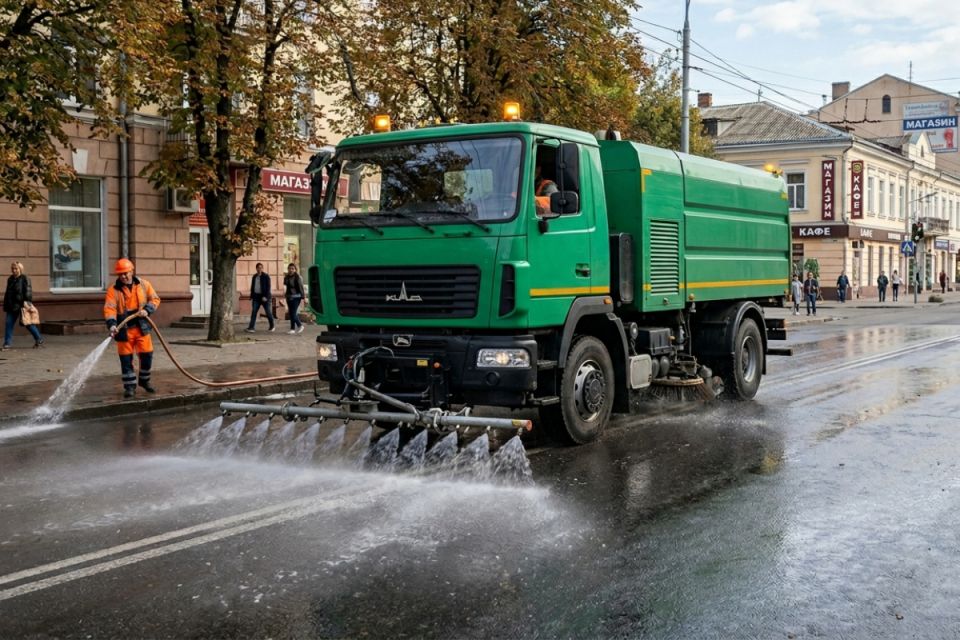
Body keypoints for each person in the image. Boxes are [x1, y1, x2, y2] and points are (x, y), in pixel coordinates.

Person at [103, 258, 160, 398]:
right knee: (126, 360)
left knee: (147, 355)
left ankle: (144, 381)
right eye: (120, 274)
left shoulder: (144, 285)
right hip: (124, 330)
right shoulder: (113, 290)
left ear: (132, 271)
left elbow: (155, 299)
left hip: (142, 327)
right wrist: (112, 325)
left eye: (125, 273)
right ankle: (130, 387)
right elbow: (109, 309)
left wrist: (147, 310)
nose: (123, 276)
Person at [3, 262, 44, 350]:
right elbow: (8, 293)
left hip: (22, 305)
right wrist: (6, 304)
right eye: (12, 268)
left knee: (28, 324)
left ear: (20, 269)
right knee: (8, 324)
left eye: (16, 269)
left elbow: (28, 291)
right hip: (12, 306)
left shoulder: (25, 278)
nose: (14, 270)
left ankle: (39, 339)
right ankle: (7, 344)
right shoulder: (10, 279)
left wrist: (26, 302)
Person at [245, 262, 275, 333]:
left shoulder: (266, 276)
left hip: (265, 297)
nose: (259, 269)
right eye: (258, 268)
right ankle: (251, 327)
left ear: (262, 268)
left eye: (261, 268)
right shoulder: (254, 276)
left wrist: (265, 297)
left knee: (268, 312)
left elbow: (268, 287)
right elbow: (252, 286)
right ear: (256, 268)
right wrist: (251, 296)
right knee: (254, 312)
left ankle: (272, 326)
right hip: (256, 297)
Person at [283, 263, 305, 334]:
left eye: (292, 269)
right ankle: (292, 329)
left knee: (293, 313)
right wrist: (284, 294)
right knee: (291, 313)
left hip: (296, 297)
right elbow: (285, 286)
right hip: (289, 297)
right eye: (289, 268)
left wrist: (303, 297)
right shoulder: (286, 277)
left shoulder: (298, 277)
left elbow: (301, 288)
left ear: (295, 270)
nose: (291, 270)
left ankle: (300, 325)